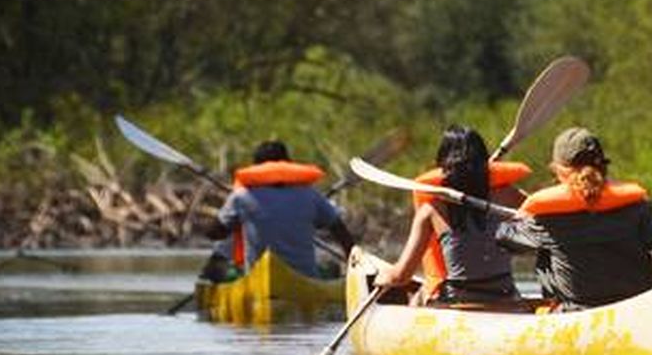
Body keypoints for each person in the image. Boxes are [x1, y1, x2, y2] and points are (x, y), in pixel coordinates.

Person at [495, 127, 652, 308]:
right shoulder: (636, 207)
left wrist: (514, 208)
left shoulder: (546, 217)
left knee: (545, 255)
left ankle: (556, 307)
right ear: (603, 167)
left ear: (558, 170)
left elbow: (505, 240)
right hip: (640, 307)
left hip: (580, 315)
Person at [373, 126, 525, 305]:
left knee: (421, 296)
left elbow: (401, 276)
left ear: (443, 164)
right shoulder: (510, 195)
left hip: (460, 301)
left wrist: (381, 278)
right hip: (506, 297)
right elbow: (541, 216)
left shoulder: (431, 210)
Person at [203, 140, 354, 279]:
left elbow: (213, 233)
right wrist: (352, 264)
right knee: (332, 267)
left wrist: (236, 220)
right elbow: (343, 234)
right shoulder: (311, 195)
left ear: (256, 168)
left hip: (257, 278)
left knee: (212, 270)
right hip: (304, 278)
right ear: (289, 165)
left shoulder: (242, 197)